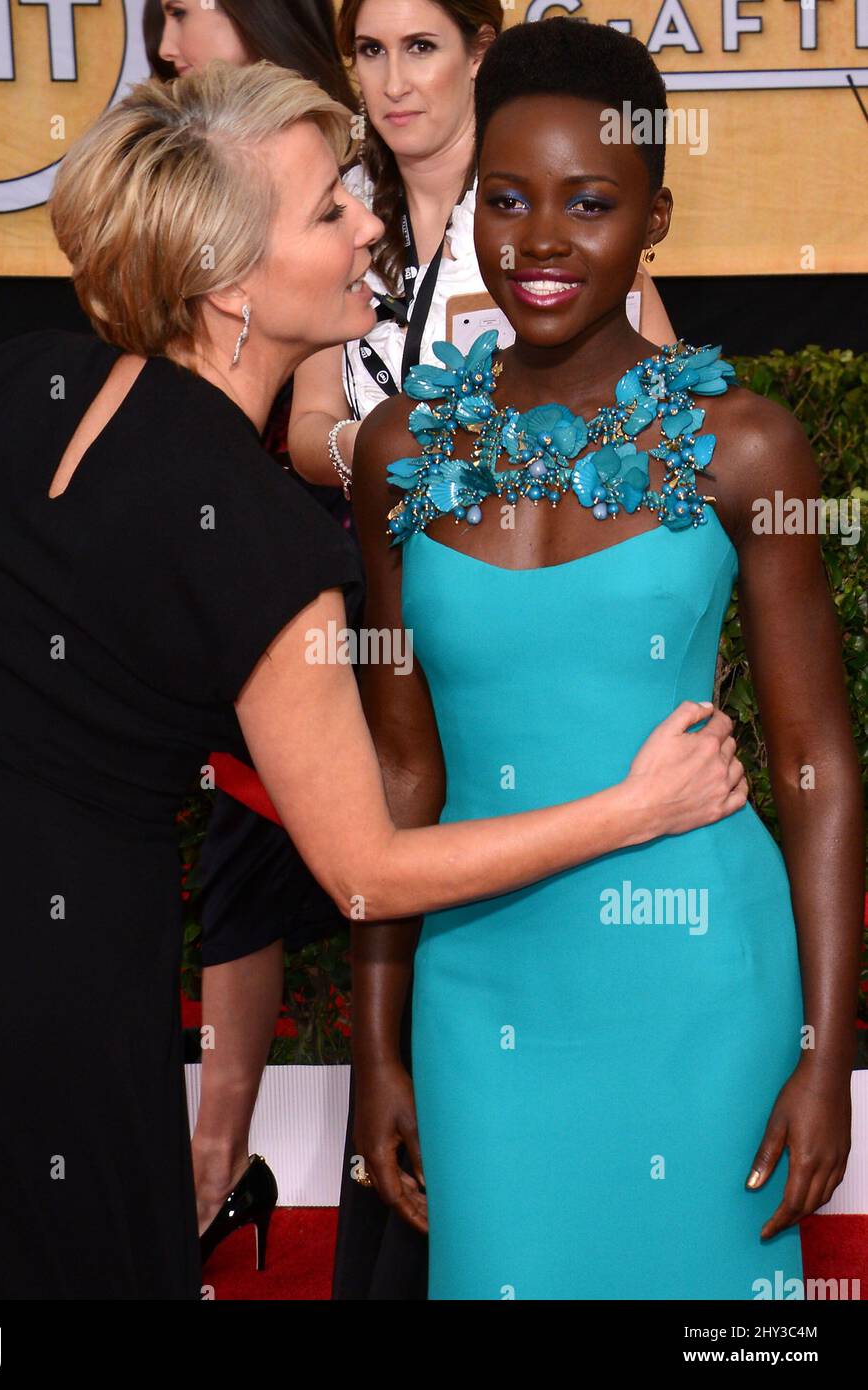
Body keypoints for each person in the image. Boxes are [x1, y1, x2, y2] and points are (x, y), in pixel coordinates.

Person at [0, 61, 746, 1300]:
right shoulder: (259, 535)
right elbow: (365, 867)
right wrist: (634, 808)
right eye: (330, 210)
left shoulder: (20, 379)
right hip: (50, 989)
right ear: (229, 280)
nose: (372, 224)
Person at [347, 17, 863, 1300]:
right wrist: (378, 1046)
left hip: (700, 978)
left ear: (654, 219)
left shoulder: (743, 446)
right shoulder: (398, 450)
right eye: (505, 199)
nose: (539, 240)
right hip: (480, 984)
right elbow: (400, 774)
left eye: (589, 202)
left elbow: (814, 765)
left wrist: (823, 1053)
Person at [152, 0, 364, 1261]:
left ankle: (225, 1165)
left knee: (334, 849)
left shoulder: (355, 188)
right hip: (258, 540)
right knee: (241, 841)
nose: (166, 42)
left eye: (185, 10)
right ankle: (213, 1165)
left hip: (336, 558)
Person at [288, 0, 677, 491]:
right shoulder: (337, 205)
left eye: (420, 47)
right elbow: (309, 423)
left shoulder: (545, 209)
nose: (393, 84)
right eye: (372, 50)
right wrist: (370, 446)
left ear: (479, 53)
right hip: (380, 522)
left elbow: (669, 409)